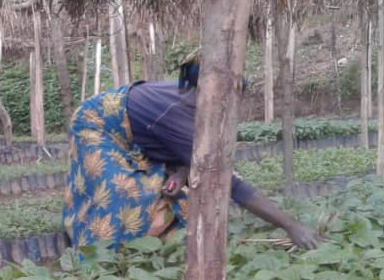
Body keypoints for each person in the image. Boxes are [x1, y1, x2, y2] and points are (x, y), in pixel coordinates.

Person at [62, 54, 320, 250]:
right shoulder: (178, 116)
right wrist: (290, 225)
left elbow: (187, 156)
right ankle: (96, 253)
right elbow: (226, 181)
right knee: (120, 193)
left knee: (176, 196)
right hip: (96, 125)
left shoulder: (197, 106)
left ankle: (152, 243)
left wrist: (181, 172)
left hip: (136, 132)